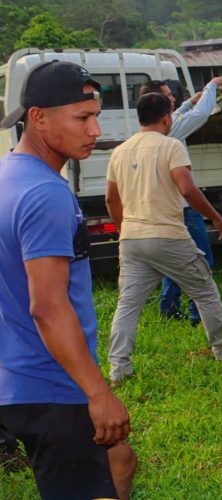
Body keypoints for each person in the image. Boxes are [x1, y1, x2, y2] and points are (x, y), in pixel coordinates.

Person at [0, 60, 136, 499]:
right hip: (53, 384)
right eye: (82, 117)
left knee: (121, 458)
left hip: (16, 374)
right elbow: (48, 306)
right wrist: (98, 393)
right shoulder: (45, 193)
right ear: (38, 117)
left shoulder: (8, 175)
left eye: (95, 116)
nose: (95, 130)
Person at [104, 92, 222, 386]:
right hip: (168, 235)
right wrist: (217, 217)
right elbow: (188, 190)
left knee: (128, 305)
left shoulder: (120, 151)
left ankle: (119, 370)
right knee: (204, 291)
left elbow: (110, 198)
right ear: (167, 118)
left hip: (131, 238)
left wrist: (125, 227)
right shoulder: (172, 146)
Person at [139, 76, 222, 327]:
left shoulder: (155, 128)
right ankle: (197, 314)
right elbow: (201, 115)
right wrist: (211, 87)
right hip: (182, 208)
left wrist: (190, 100)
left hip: (163, 208)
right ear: (158, 102)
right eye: (168, 96)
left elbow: (180, 112)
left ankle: (168, 308)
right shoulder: (171, 130)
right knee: (200, 260)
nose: (173, 98)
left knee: (173, 261)